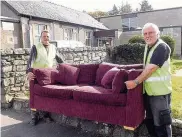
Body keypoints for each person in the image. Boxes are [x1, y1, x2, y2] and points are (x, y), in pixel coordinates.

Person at [125, 23, 172, 137]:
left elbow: (151, 69)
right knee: (150, 122)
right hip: (149, 92)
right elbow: (146, 66)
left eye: (150, 32)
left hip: (160, 94)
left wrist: (135, 82)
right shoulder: (148, 46)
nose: (147, 35)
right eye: (145, 33)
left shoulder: (162, 47)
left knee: (161, 124)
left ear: (158, 33)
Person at [27, 30, 63, 126]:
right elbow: (30, 61)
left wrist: (67, 68)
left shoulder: (53, 48)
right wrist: (29, 72)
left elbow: (61, 60)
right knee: (33, 97)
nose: (46, 38)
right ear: (41, 38)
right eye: (44, 36)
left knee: (46, 95)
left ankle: (46, 115)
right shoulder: (36, 47)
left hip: (48, 76)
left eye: (47, 36)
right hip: (36, 76)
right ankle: (34, 117)